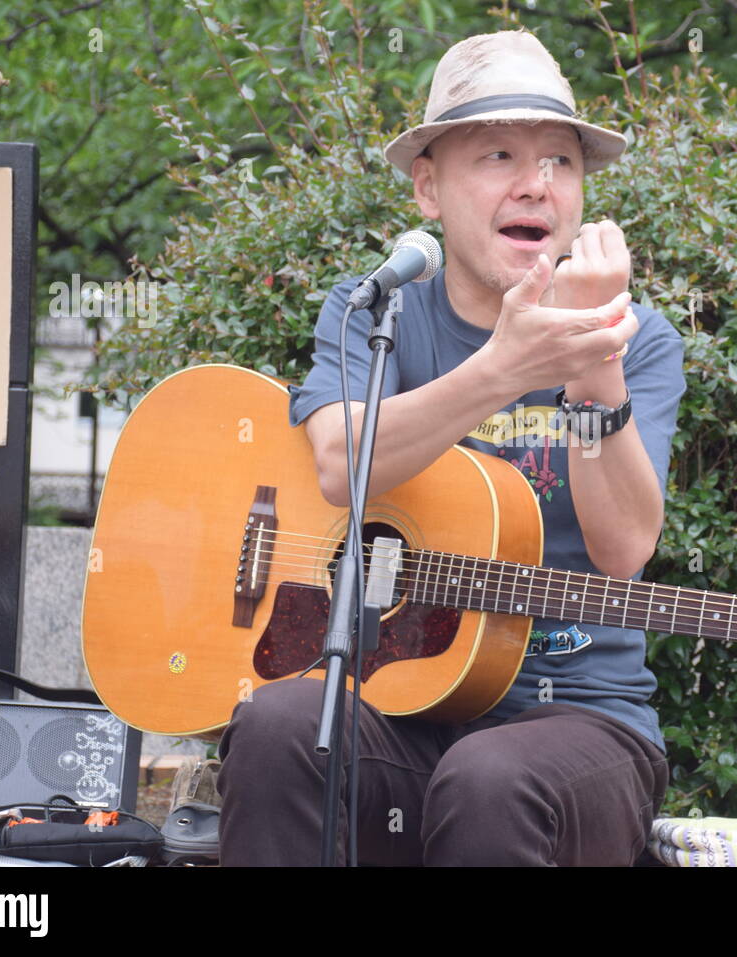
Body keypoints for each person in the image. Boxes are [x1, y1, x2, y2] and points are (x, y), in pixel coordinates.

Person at [217, 28, 687, 866]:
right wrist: (504, 369)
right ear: (428, 189)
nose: (536, 184)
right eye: (500, 154)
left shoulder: (635, 341)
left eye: (561, 161)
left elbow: (623, 551)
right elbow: (337, 464)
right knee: (279, 721)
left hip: (580, 722)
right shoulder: (376, 311)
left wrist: (593, 362)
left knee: (489, 777)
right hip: (399, 703)